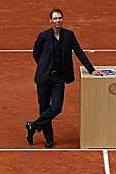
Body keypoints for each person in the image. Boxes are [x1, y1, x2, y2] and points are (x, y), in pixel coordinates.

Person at [25, 8, 96, 148]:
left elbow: (79, 52)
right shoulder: (43, 36)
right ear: (50, 21)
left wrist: (91, 70)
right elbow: (36, 54)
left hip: (59, 78)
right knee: (44, 108)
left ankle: (33, 126)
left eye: (60, 18)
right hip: (44, 78)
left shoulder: (69, 35)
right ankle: (49, 138)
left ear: (62, 19)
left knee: (56, 108)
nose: (58, 20)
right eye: (55, 18)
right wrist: (44, 66)